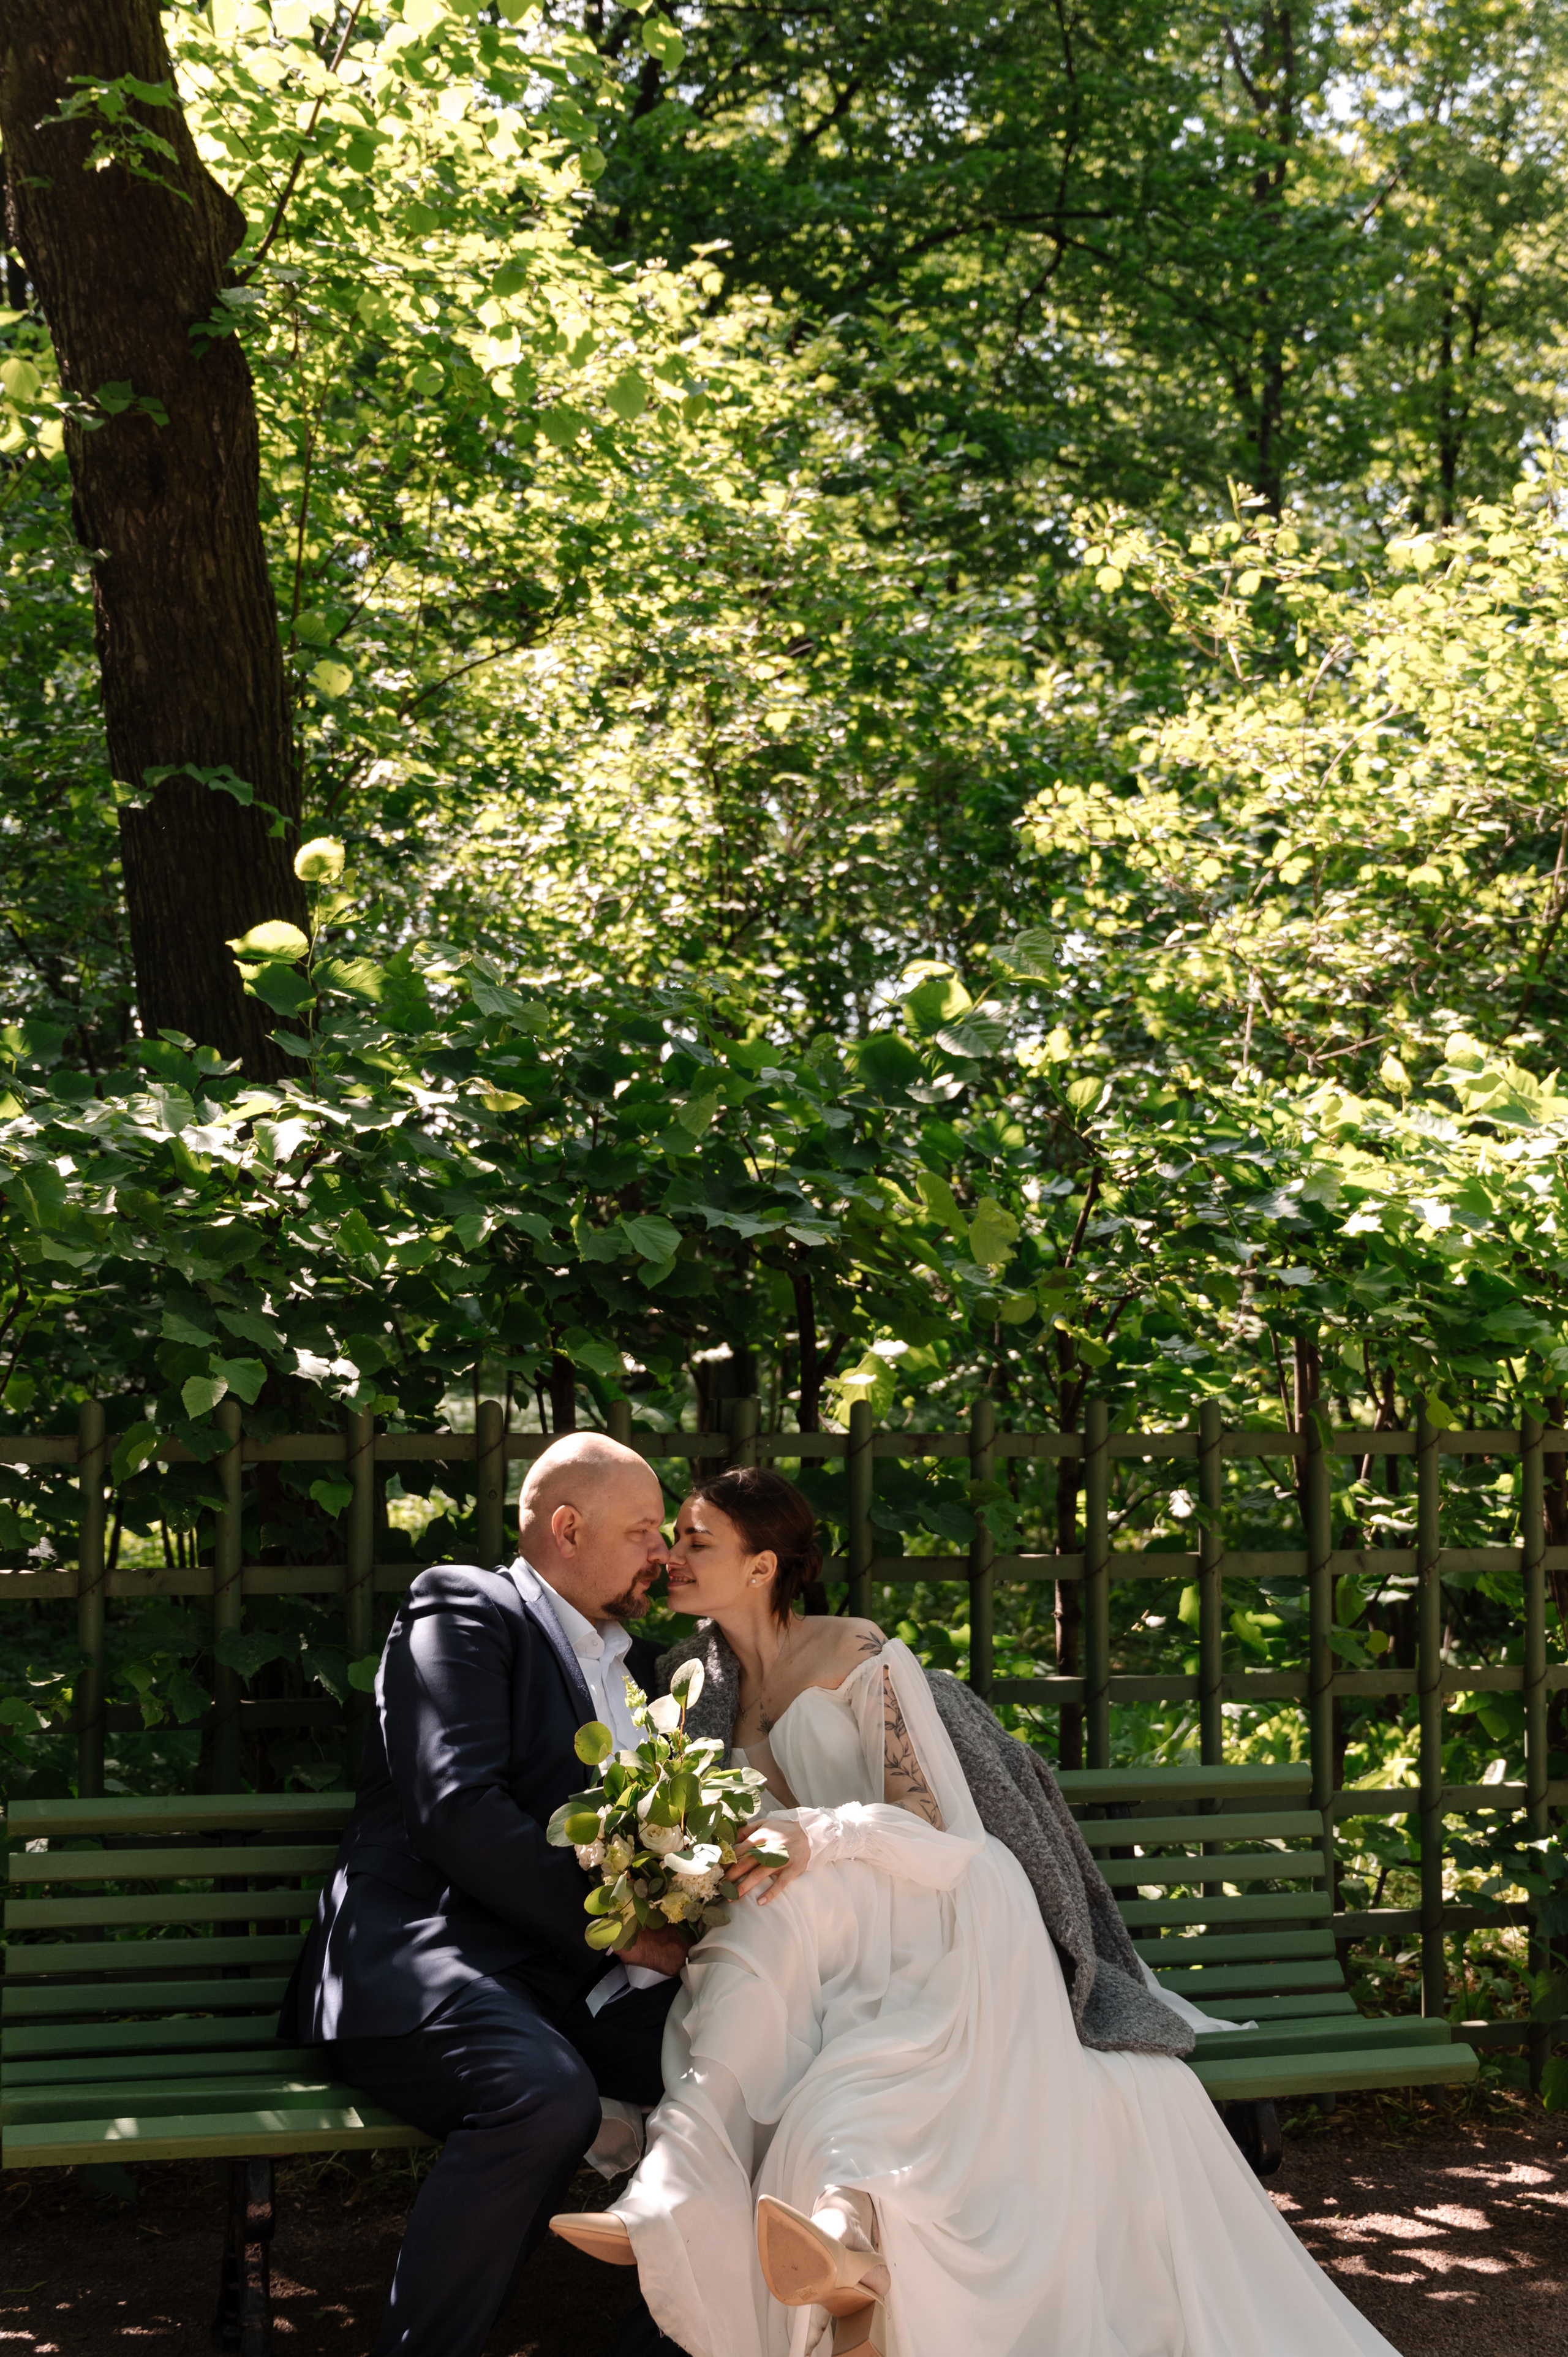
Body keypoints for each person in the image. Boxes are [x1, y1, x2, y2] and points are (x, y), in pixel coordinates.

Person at [551, 1465, 1403, 2357]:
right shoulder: (691, 1679)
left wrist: (824, 1836)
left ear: (763, 1566)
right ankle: (832, 2238)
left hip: (942, 1904)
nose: (673, 1559)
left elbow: (947, 1838)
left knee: (782, 1927)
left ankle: (677, 2186)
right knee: (769, 1943)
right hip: (825, 1929)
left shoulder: (857, 1655)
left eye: (697, 1542)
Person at [277, 1431, 690, 2357]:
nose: (662, 1553)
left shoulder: (644, 1670)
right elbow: (455, 1809)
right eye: (644, 1531)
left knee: (773, 2060)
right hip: (428, 1965)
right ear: (568, 1528)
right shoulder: (463, 1608)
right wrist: (622, 1935)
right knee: (543, 2099)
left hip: (563, 1987)